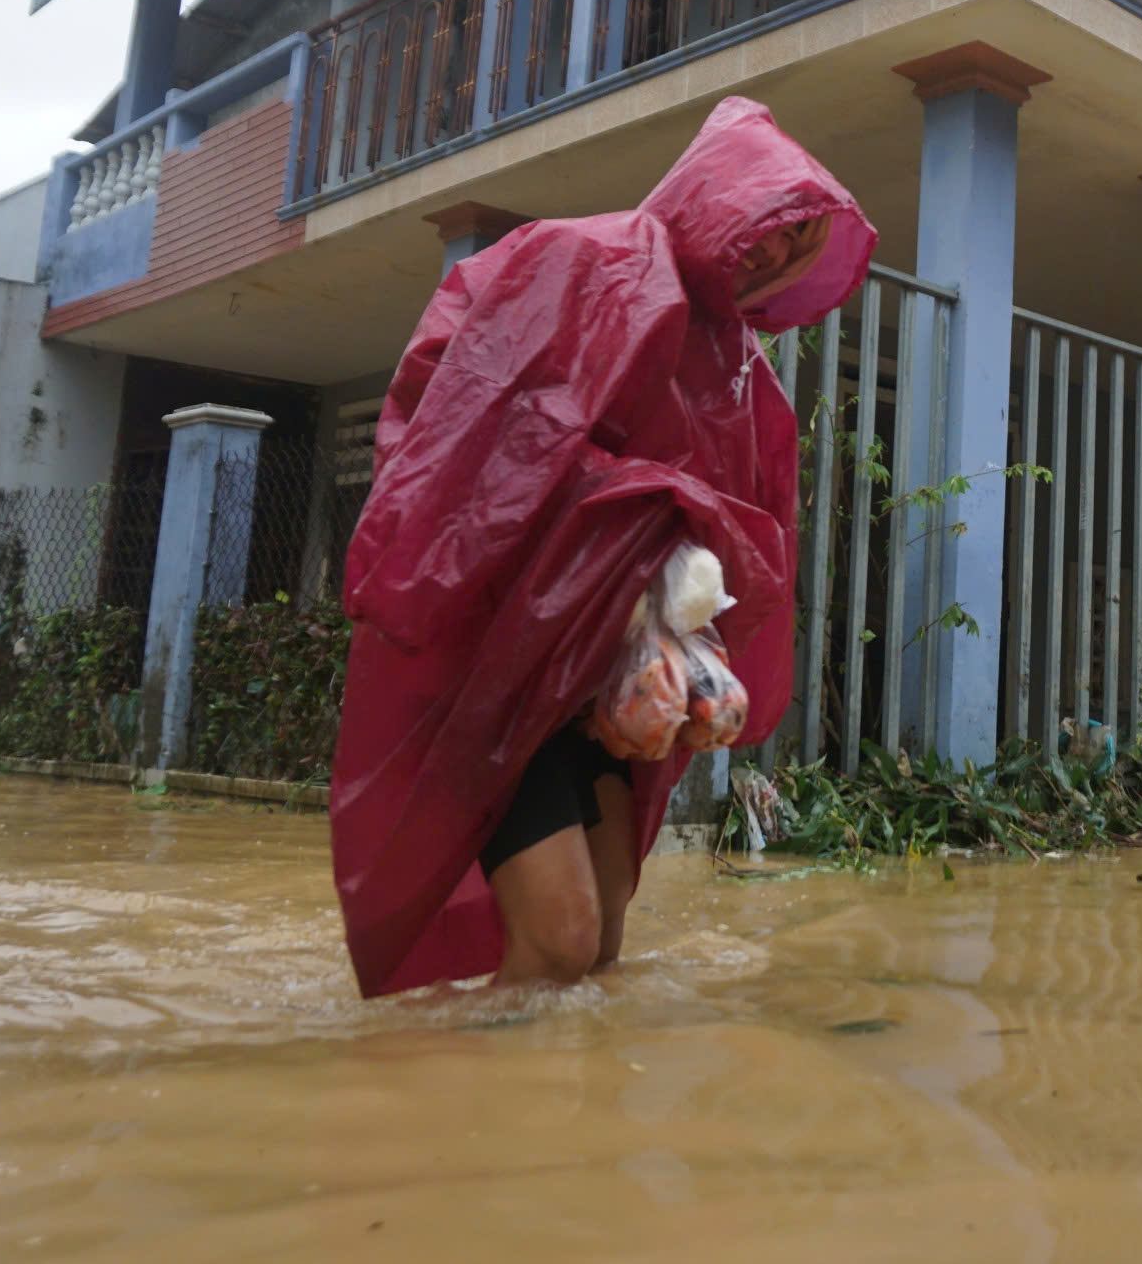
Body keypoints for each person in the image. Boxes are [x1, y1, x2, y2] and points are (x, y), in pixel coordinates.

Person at [327, 97, 876, 996]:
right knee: (562, 940)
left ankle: (539, 1114)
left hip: (608, 678)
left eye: (797, 244)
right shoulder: (586, 260)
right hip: (503, 663)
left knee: (607, 936)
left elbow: (739, 531)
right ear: (717, 197)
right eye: (770, 225)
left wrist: (685, 598)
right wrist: (652, 510)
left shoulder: (743, 373)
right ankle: (451, 1122)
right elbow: (481, 441)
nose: (773, 253)